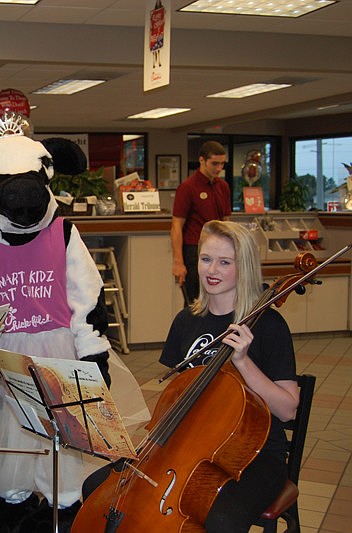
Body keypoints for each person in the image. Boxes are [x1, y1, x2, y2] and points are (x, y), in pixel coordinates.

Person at [83, 220, 299, 533]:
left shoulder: (269, 326)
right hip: (187, 445)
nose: (212, 270)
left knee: (220, 521)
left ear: (245, 267)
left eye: (225, 262)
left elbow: (288, 408)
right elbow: (178, 392)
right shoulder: (186, 321)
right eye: (206, 259)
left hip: (254, 455)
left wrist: (243, 362)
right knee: (97, 486)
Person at [171, 140, 231, 306]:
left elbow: (226, 222)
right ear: (202, 160)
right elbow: (176, 226)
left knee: (217, 301)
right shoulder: (188, 187)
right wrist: (178, 262)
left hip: (219, 250)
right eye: (214, 163)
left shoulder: (223, 186)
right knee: (195, 303)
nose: (219, 168)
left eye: (222, 164)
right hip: (194, 251)